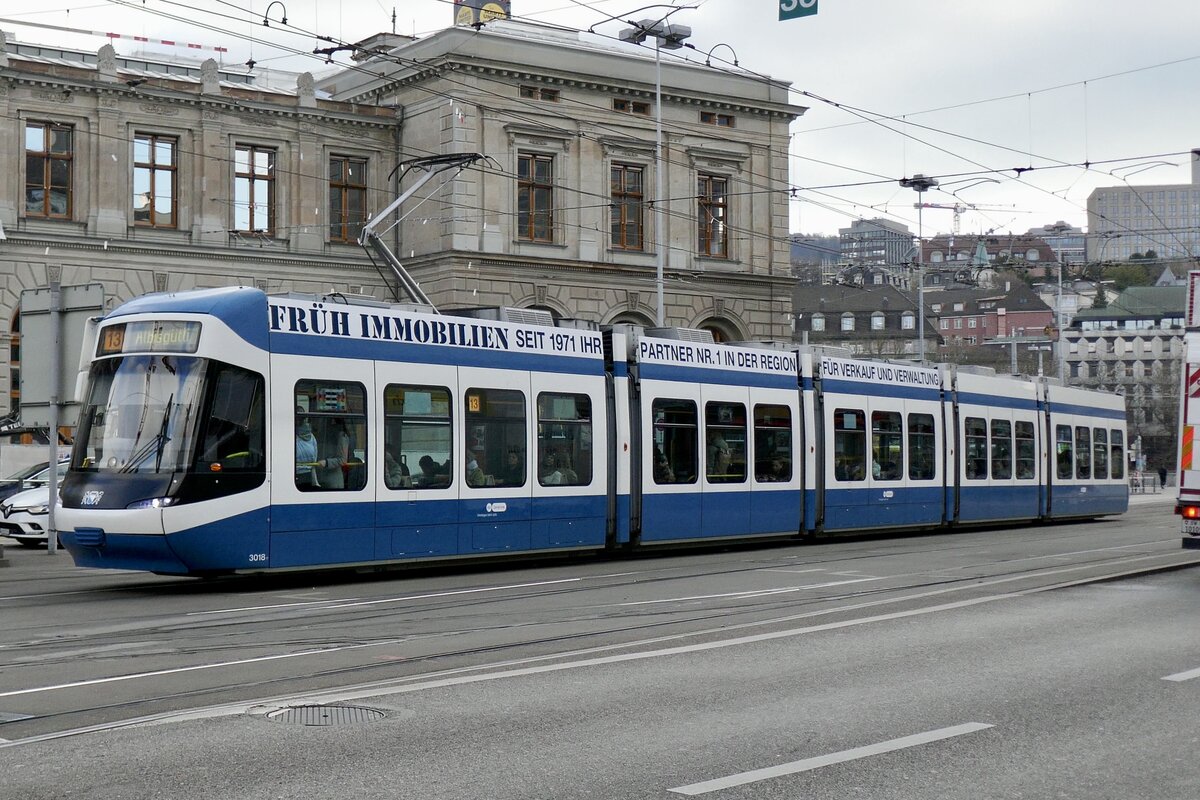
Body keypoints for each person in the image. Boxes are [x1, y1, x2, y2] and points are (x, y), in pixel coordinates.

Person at [316, 418, 351, 489]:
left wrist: (326, 463)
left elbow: (343, 459)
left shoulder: (342, 436)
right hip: (322, 477)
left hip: (333, 478)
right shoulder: (324, 435)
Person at [295, 419, 319, 489]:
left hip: (297, 473)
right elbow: (315, 457)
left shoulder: (291, 434)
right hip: (308, 474)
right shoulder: (312, 436)